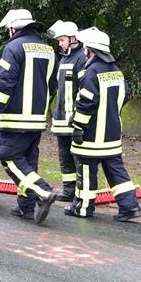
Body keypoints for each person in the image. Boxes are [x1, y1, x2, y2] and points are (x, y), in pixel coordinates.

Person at [0, 9, 58, 225]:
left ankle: (43, 192)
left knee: (8, 156)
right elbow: (53, 85)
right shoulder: (48, 50)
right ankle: (26, 207)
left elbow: (4, 83)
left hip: (15, 117)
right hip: (37, 118)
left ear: (12, 28)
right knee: (28, 160)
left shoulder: (13, 47)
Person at [65, 27, 141, 222]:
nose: (83, 50)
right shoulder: (116, 71)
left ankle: (83, 208)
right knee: (116, 171)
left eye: (85, 47)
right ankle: (130, 207)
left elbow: (86, 103)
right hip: (112, 134)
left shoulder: (90, 72)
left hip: (91, 135)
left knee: (86, 170)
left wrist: (78, 127)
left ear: (91, 49)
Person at [47, 20, 86, 202]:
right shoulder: (64, 58)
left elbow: (85, 89)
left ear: (73, 38)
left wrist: (78, 117)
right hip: (61, 118)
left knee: (77, 156)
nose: (60, 44)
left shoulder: (81, 59)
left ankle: (80, 191)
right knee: (64, 155)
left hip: (74, 119)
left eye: (62, 40)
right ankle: (69, 189)